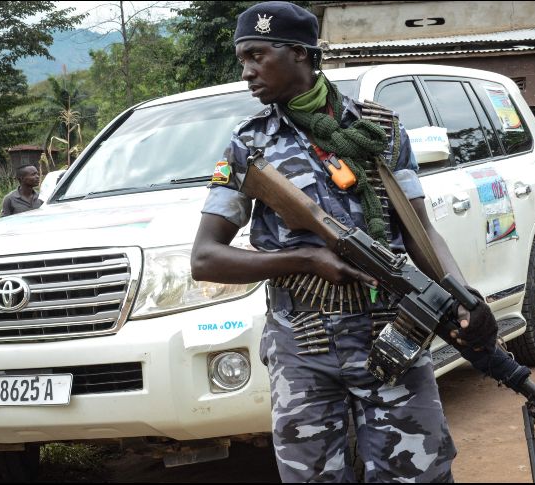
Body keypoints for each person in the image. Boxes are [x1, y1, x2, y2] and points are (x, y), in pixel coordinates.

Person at [190, 2, 495, 481]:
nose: (247, 72)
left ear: (299, 53)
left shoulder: (380, 129)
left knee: (417, 474)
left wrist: (462, 294)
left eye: (256, 56)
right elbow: (206, 258)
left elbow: (420, 230)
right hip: (303, 345)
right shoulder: (249, 146)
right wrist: (305, 259)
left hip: (393, 332)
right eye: (241, 58)